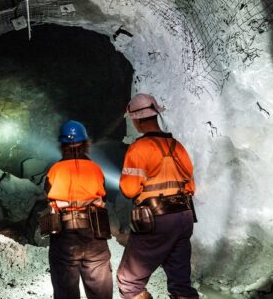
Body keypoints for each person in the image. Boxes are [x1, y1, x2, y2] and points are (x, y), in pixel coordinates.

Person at [116, 94, 199, 299]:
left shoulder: (139, 148)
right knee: (180, 282)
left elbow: (129, 190)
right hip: (184, 215)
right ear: (156, 115)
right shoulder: (177, 147)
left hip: (157, 218)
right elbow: (190, 186)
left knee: (129, 281)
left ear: (136, 119)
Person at [45, 120, 113, 299]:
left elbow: (48, 196)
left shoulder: (54, 170)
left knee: (65, 291)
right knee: (101, 292)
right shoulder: (96, 169)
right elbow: (103, 198)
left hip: (64, 235)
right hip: (94, 232)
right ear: (85, 143)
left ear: (62, 145)